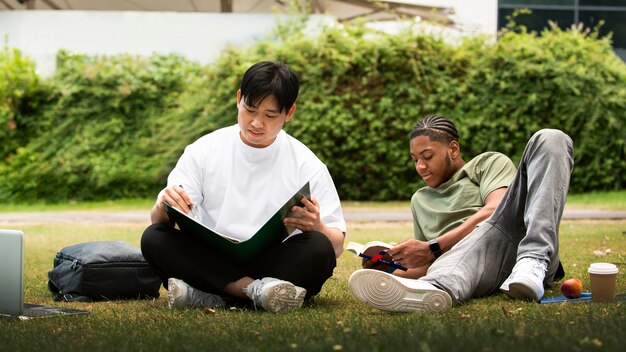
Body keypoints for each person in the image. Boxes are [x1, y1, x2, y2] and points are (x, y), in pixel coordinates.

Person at [141, 61, 346, 313]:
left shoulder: (306, 163)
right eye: (250, 109)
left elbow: (336, 247)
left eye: (270, 115)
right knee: (154, 238)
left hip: (270, 261)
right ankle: (254, 292)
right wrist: (163, 203)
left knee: (318, 248)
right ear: (239, 99)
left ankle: (208, 294)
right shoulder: (204, 150)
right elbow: (160, 221)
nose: (257, 123)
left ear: (289, 113)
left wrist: (318, 226)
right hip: (211, 258)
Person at [349, 115, 573, 312]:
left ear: (453, 149)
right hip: (473, 272)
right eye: (415, 159)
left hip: (517, 247)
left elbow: (495, 211)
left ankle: (532, 260)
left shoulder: (487, 163)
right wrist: (392, 270)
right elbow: (431, 261)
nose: (420, 166)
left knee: (551, 138)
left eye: (427, 156)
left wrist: (434, 246)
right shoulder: (420, 200)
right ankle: (432, 289)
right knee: (444, 265)